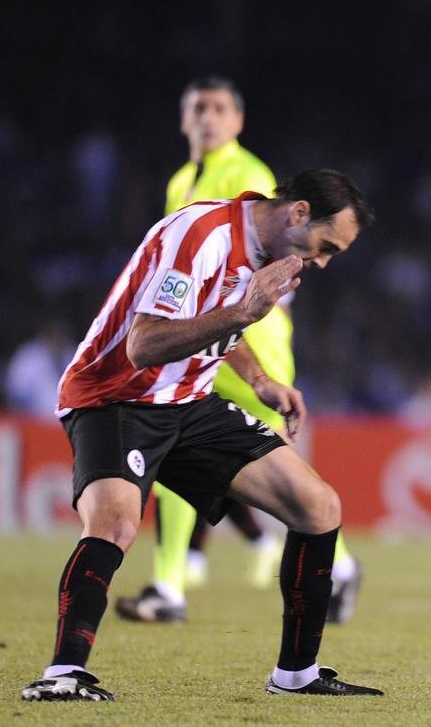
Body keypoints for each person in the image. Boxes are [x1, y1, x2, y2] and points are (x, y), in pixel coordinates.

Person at [22, 169, 383, 701]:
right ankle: (62, 677)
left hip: (188, 402)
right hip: (115, 395)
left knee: (318, 506)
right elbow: (144, 345)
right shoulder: (202, 235)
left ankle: (297, 675)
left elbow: (214, 324)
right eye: (326, 246)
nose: (324, 262)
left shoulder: (267, 254)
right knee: (116, 522)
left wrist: (260, 380)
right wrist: (243, 310)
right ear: (300, 212)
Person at [116, 77, 363, 626]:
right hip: (206, 325)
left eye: (219, 108)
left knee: (258, 457)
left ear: (237, 121)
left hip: (252, 335)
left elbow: (266, 259)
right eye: (197, 108)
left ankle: (337, 563)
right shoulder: (183, 178)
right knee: (177, 434)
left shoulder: (248, 174)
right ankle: (169, 585)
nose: (207, 117)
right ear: (184, 121)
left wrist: (249, 325)